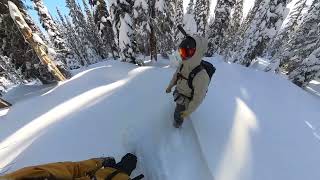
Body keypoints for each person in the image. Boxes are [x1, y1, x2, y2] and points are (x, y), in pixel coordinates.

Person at [166, 35, 210, 128]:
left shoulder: (201, 76)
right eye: (181, 52)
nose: (182, 55)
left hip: (185, 99)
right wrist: (170, 86)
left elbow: (198, 98)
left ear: (196, 53)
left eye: (186, 53)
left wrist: (188, 111)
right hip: (179, 91)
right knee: (177, 104)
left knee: (178, 113)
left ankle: (176, 125)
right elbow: (176, 76)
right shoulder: (183, 65)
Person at [0, 153, 144, 180]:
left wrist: (99, 163)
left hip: (107, 175)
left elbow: (73, 169)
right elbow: (73, 169)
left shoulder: (25, 176)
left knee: (130, 159)